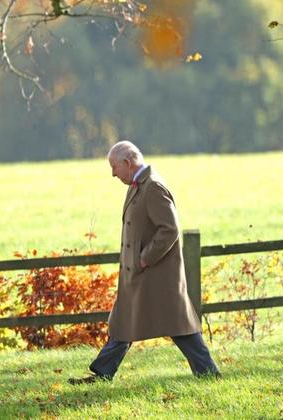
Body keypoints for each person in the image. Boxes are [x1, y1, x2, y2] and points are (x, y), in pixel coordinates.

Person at [69, 140, 220, 385]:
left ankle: (209, 373)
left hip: (156, 276)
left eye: (114, 167)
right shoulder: (138, 185)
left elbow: (169, 230)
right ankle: (102, 373)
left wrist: (143, 259)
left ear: (128, 163)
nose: (112, 174)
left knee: (180, 324)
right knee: (123, 323)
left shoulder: (153, 187)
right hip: (139, 275)